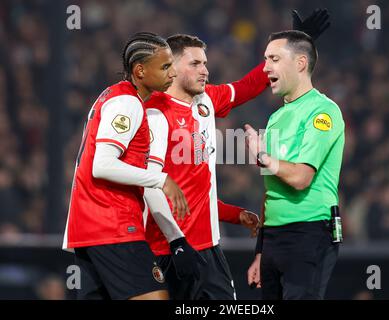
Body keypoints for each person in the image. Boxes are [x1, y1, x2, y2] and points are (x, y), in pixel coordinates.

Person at [143, 10, 331, 300]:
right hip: (166, 247)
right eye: (195, 63)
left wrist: (295, 43)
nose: (205, 70)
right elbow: (149, 187)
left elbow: (248, 86)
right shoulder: (152, 111)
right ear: (172, 67)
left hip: (208, 248)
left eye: (205, 63)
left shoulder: (206, 100)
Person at [62, 32, 189, 300]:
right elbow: (103, 165)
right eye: (165, 66)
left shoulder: (111, 96)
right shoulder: (127, 103)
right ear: (140, 70)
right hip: (112, 224)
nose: (173, 73)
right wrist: (161, 179)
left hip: (89, 228)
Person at [245, 30, 345, 300]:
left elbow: (301, 178)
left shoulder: (323, 112)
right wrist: (260, 251)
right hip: (274, 239)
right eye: (265, 59)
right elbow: (270, 191)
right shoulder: (276, 117)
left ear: (300, 63)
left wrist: (264, 157)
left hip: (309, 232)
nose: (265, 67)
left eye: (274, 59)